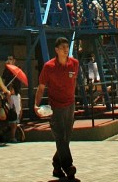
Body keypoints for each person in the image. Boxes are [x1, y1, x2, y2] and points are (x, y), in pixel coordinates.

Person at [34, 37, 80, 180]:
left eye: (67, 47)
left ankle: (56, 164)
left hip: (70, 105)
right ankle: (68, 166)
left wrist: (73, 97)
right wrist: (36, 104)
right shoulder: (49, 67)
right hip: (55, 107)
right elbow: (41, 87)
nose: (66, 49)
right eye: (62, 47)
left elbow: (74, 81)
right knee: (60, 137)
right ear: (56, 50)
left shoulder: (74, 63)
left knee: (66, 138)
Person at [2, 55, 22, 142]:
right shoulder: (7, 70)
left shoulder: (17, 69)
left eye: (10, 59)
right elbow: (4, 78)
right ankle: (11, 134)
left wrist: (13, 89)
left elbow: (17, 84)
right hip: (8, 94)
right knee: (9, 114)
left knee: (15, 114)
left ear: (14, 60)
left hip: (15, 94)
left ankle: (13, 135)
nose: (9, 60)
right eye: (8, 59)